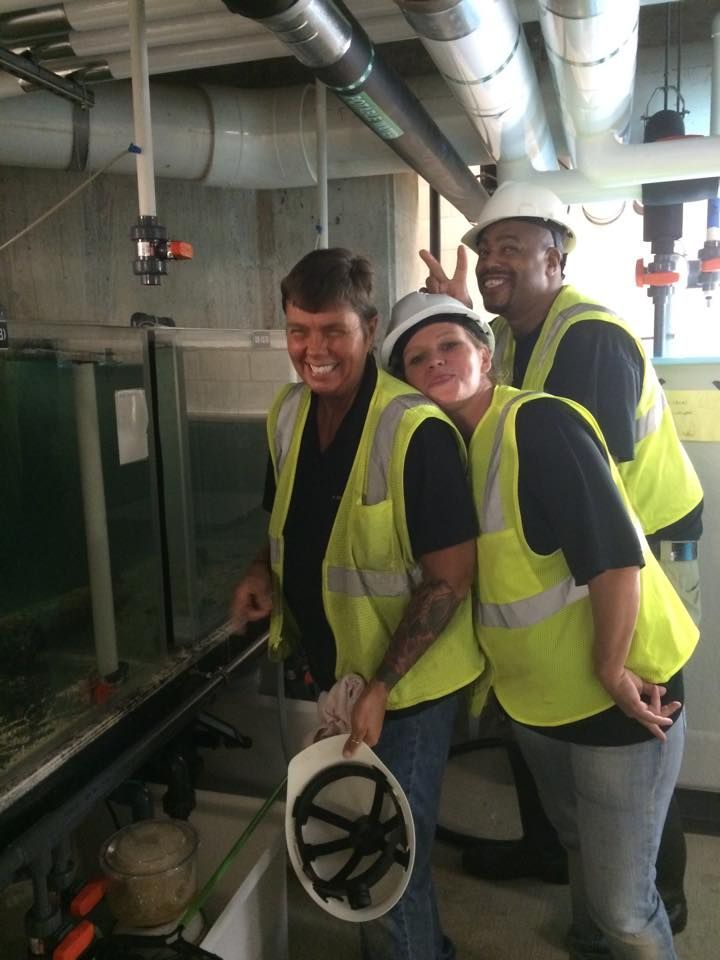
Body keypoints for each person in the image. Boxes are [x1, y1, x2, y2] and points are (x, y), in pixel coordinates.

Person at [381, 291, 699, 960]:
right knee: (579, 842)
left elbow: (614, 561)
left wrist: (612, 668)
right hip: (541, 700)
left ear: (486, 357)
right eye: (417, 357)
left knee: (625, 905)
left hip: (622, 690)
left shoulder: (539, 425)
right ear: (403, 383)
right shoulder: (445, 451)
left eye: (450, 346)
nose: (435, 362)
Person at [231, 248, 486, 960]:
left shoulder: (415, 430)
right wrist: (262, 571)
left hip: (405, 688)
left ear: (368, 329)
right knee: (365, 837)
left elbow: (450, 579)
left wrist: (382, 686)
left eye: (332, 331)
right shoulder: (286, 414)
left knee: (390, 859)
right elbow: (283, 521)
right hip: (336, 672)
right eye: (298, 330)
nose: (313, 350)